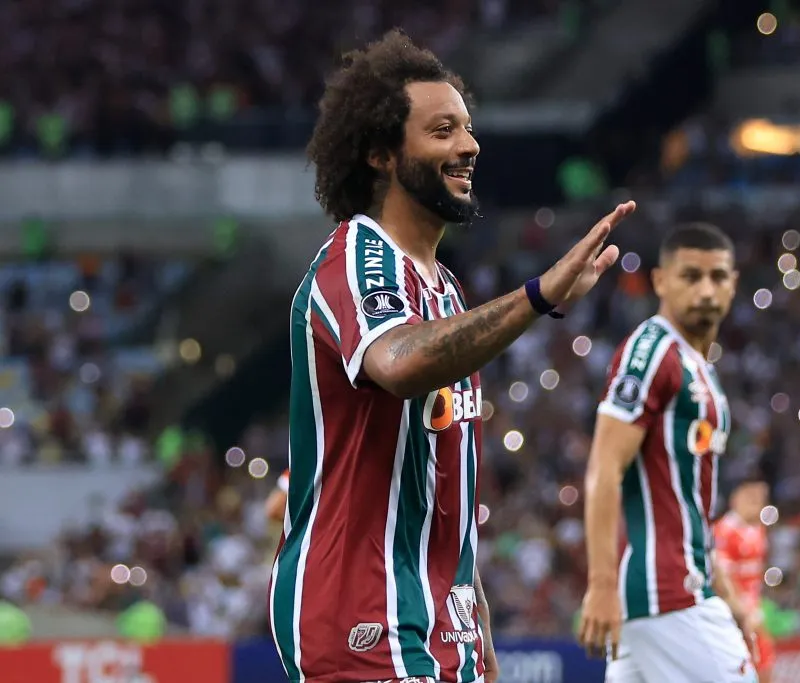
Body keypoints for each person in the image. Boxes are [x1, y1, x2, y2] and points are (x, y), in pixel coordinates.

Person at [268, 29, 636, 683]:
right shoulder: (360, 255)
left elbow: (447, 487)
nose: (469, 146)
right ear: (381, 154)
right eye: (442, 131)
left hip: (442, 624)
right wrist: (539, 294)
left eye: (467, 128)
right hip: (364, 619)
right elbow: (400, 363)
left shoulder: (444, 287)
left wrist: (478, 625)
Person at [578, 223, 758, 682]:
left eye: (718, 277)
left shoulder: (699, 367)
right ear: (660, 281)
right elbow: (604, 468)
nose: (705, 289)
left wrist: (730, 596)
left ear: (733, 284)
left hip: (668, 593)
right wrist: (599, 584)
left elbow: (688, 507)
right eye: (690, 275)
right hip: (670, 596)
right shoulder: (652, 351)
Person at [715, 476, 774, 683]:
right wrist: (743, 612)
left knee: (764, 666)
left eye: (762, 497)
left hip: (752, 611)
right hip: (732, 614)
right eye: (752, 496)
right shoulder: (725, 531)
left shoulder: (758, 529)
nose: (758, 502)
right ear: (736, 498)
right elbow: (723, 579)